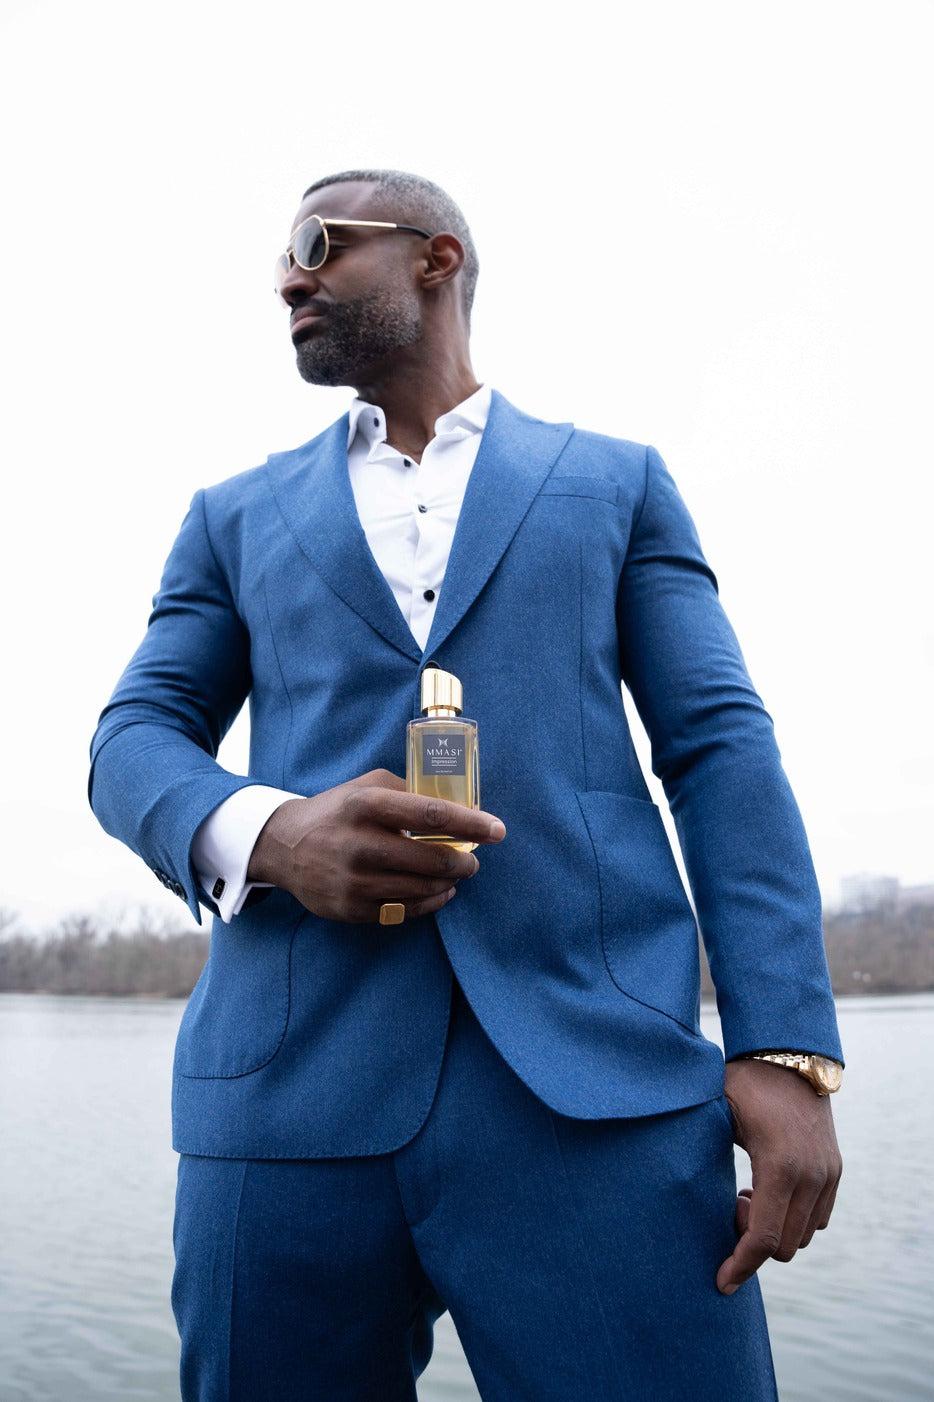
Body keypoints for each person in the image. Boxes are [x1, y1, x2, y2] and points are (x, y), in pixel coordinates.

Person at [89, 169, 843, 1401]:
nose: (289, 276)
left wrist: (784, 1049)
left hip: (601, 1105)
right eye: (285, 256)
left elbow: (719, 749)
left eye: (318, 242)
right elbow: (133, 737)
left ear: (435, 257)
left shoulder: (617, 482)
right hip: (284, 1108)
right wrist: (272, 833)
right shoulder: (229, 518)